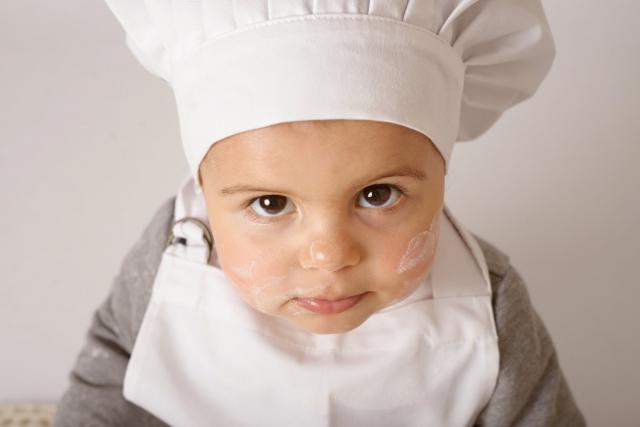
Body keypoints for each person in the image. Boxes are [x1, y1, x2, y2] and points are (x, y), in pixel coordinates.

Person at [53, 1, 587, 426]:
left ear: (442, 175)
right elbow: (108, 372)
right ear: (205, 192)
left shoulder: (490, 303)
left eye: (377, 195)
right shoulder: (172, 254)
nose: (329, 257)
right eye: (271, 204)